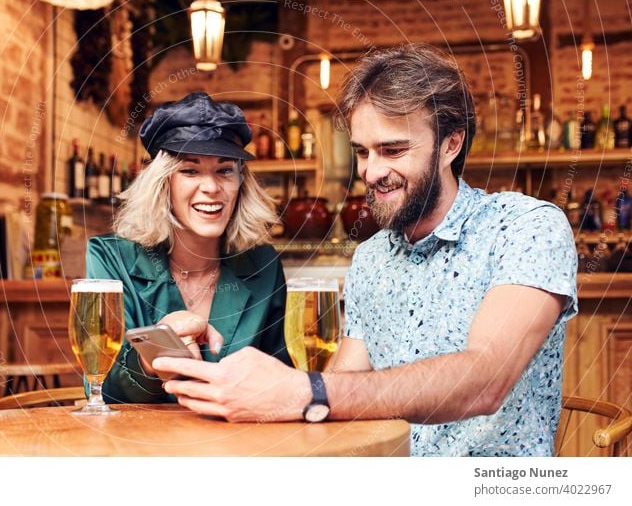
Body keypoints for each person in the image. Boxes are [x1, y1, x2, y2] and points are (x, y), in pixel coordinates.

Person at [154, 44, 578, 457]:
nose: (372, 172)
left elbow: (485, 380)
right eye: (362, 152)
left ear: (451, 143)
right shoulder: (373, 257)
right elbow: (346, 384)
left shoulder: (525, 228)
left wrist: (304, 391)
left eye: (393, 150)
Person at [87, 91, 291, 403]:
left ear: (241, 183)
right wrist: (153, 350)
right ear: (163, 183)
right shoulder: (110, 258)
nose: (211, 188)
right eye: (190, 170)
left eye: (224, 170)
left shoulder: (264, 266)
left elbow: (283, 381)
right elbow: (100, 389)